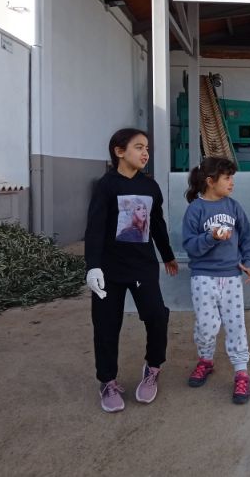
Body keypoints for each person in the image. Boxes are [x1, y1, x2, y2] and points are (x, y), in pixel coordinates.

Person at [84, 128, 179, 413]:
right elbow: (95, 228)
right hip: (109, 269)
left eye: (147, 148)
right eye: (138, 147)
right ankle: (107, 381)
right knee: (106, 325)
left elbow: (157, 224)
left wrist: (167, 255)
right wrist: (93, 266)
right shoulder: (106, 186)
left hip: (142, 266)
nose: (145, 153)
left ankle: (153, 367)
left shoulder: (150, 187)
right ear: (119, 151)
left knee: (156, 316)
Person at [182, 157, 250, 404]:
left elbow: (246, 237)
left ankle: (241, 372)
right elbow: (190, 246)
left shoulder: (234, 207)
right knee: (206, 326)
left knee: (236, 325)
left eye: (232, 177)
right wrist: (211, 237)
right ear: (210, 181)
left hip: (231, 276)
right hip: (203, 276)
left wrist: (248, 261)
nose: (232, 182)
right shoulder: (196, 209)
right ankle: (206, 360)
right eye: (227, 178)